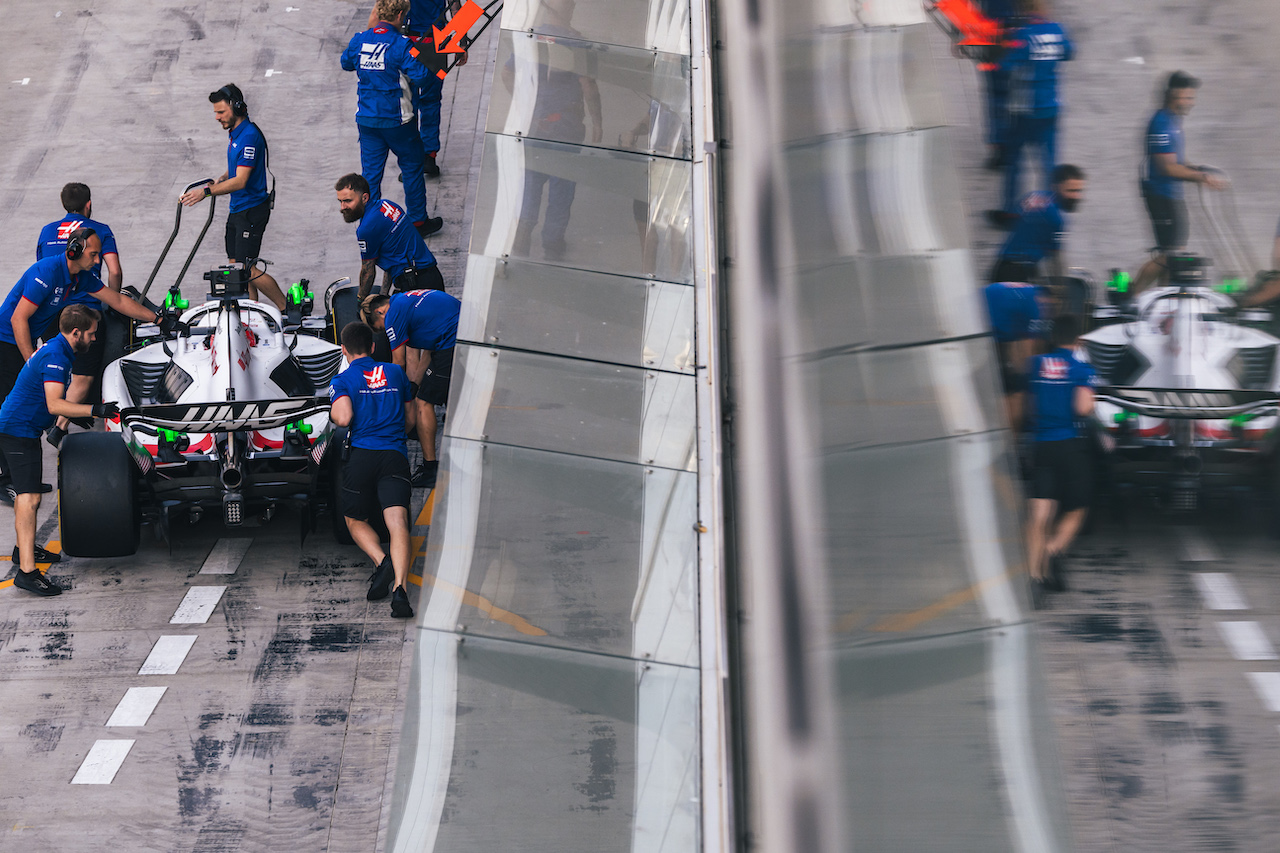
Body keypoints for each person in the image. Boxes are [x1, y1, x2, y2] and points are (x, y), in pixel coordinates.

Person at [0, 305, 118, 596]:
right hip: (17, 429)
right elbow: (54, 405)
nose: (94, 339)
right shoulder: (56, 356)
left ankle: (23, 551)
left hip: (23, 427)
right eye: (91, 334)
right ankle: (26, 573)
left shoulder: (58, 349)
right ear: (75, 332)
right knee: (29, 498)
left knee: (31, 496)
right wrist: (96, 409)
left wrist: (78, 412)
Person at [502, 0, 603, 261]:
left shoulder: (532, 35)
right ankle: (552, 242)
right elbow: (588, 85)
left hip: (534, 125)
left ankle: (522, 238)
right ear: (569, 10)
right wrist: (598, 122)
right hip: (566, 127)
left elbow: (507, 73)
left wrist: (524, 104)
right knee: (562, 186)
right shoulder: (577, 41)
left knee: (530, 183)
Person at [329, 321, 416, 618]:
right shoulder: (395, 372)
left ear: (344, 350)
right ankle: (400, 591)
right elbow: (410, 420)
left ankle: (382, 561)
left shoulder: (343, 379)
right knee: (398, 522)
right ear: (374, 346)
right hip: (394, 455)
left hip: (363, 456)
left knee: (354, 519)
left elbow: (343, 418)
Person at [179, 84, 287, 311]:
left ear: (237, 108)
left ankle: (286, 309)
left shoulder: (248, 136)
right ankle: (250, 312)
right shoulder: (236, 134)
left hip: (251, 209)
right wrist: (220, 179)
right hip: (237, 208)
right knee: (236, 267)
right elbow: (236, 169)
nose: (217, 117)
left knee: (247, 268)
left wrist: (205, 192)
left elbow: (241, 181)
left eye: (221, 112)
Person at [342, 0, 444, 239]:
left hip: (367, 120)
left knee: (371, 176)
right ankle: (418, 221)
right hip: (399, 121)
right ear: (400, 15)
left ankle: (371, 225)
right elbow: (421, 78)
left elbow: (345, 62)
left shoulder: (360, 40)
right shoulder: (401, 45)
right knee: (411, 167)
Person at [36, 183, 123, 440]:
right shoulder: (99, 231)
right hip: (86, 309)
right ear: (89, 204)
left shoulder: (46, 231)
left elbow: (44, 270)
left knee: (57, 364)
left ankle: (51, 411)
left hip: (52, 309)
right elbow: (114, 271)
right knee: (83, 374)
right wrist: (111, 304)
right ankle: (60, 427)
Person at [1131, 71, 1227, 296]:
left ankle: (1164, 300)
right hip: (1161, 195)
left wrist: (1197, 169)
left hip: (1172, 195)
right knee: (1168, 256)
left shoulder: (1173, 121)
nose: (1191, 103)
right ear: (1175, 96)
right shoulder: (1161, 123)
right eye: (1188, 97)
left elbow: (1177, 161)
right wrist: (1202, 178)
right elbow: (1167, 167)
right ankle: (1131, 298)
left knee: (1174, 255)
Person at [1024, 314, 1099, 599]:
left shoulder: (1033, 366)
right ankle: (1053, 549)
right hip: (1069, 446)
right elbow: (1083, 408)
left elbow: (1026, 405)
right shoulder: (1082, 369)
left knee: (1039, 514)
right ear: (1077, 341)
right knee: (1078, 507)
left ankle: (1034, 577)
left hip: (1040, 444)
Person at [986, 0, 1072, 230]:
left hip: (1025, 111)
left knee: (1014, 162)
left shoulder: (1023, 36)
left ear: (1024, 9)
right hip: (1051, 108)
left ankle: (1010, 212)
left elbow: (1003, 66)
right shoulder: (1057, 30)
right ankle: (1048, 212)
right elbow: (1069, 52)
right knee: (1048, 163)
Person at [362, 289, 459, 489]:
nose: (382, 332)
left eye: (378, 329)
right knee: (428, 391)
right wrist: (415, 384)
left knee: (424, 402)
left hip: (452, 339)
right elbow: (430, 350)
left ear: (380, 312)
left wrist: (392, 396)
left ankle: (430, 468)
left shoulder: (393, 314)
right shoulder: (404, 300)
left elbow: (398, 363)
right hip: (459, 331)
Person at [335, 172, 443, 300]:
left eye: (348, 201)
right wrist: (383, 294)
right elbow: (392, 256)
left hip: (417, 286)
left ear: (364, 198)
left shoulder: (367, 228)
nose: (342, 207)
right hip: (430, 276)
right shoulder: (386, 205)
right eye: (340, 201)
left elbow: (367, 272)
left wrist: (360, 301)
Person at [991, 163, 1085, 281]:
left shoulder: (1033, 196)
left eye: (1079, 191)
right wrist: (1062, 286)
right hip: (1017, 276)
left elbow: (1012, 219)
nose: (1076, 196)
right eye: (1071, 190)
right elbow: (1056, 259)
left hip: (1002, 265)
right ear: (1057, 187)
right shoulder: (1057, 219)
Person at [985, 273, 1048, 428]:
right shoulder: (1036, 305)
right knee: (1015, 385)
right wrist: (1028, 380)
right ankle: (1009, 434)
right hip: (988, 327)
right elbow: (1027, 350)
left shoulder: (1028, 292)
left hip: (985, 314)